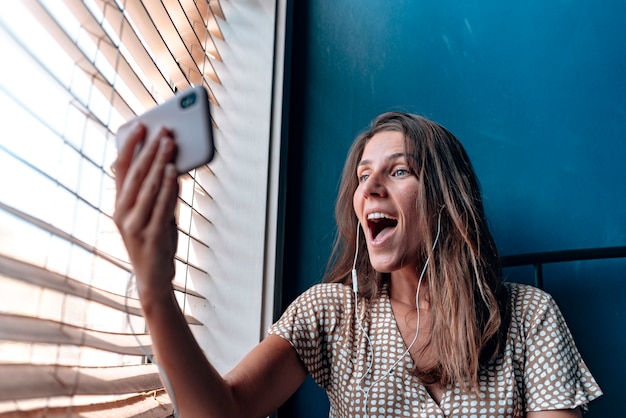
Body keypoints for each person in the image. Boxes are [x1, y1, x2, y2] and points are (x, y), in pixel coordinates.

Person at [114, 112, 602, 418]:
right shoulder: (330, 315)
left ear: (446, 198)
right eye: (363, 176)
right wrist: (155, 291)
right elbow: (222, 411)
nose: (368, 188)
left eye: (399, 170)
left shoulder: (530, 316)